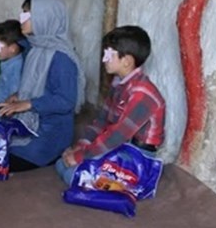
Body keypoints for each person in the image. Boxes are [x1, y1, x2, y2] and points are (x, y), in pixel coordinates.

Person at [0, 0, 85, 172]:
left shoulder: (62, 58)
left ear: (45, 18)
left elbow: (66, 101)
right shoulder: (35, 47)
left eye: (27, 14)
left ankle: (49, 154)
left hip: (48, 131)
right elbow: (31, 85)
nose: (22, 18)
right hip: (27, 119)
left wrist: (28, 103)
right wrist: (18, 96)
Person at [55, 25, 166, 185]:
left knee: (72, 174)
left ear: (127, 61)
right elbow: (101, 122)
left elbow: (117, 136)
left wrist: (80, 156)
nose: (103, 59)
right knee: (62, 164)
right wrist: (81, 146)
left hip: (136, 157)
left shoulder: (143, 94)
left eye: (108, 54)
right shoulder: (118, 84)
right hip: (117, 148)